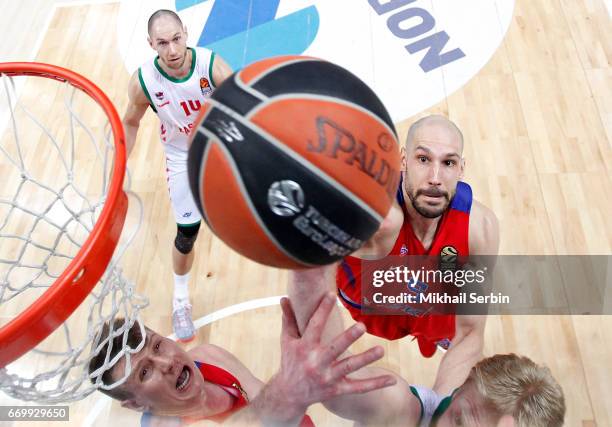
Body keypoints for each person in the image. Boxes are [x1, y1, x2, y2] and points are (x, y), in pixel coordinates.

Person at [326, 114, 499, 388]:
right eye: (423, 159)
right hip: (372, 304)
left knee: (461, 340)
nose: (435, 178)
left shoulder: (481, 228)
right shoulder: (377, 217)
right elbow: (311, 256)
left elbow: (470, 333)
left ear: (461, 169)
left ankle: (432, 336)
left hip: (428, 307)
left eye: (448, 163)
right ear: (403, 160)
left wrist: (440, 411)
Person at [278, 270, 565, 427]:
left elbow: (470, 334)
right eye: (459, 421)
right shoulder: (398, 409)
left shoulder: (472, 405)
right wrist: (314, 248)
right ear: (459, 390)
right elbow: (333, 374)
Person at [87, 296, 396, 426]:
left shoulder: (207, 358)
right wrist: (293, 386)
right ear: (136, 404)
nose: (166, 362)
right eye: (145, 371)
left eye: (158, 345)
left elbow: (279, 409)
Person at [122, 9, 234, 341]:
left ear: (185, 32)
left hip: (219, 148)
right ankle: (181, 301)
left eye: (176, 39)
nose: (171, 50)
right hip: (181, 155)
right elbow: (130, 122)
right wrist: (118, 164)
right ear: (150, 44)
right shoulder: (143, 81)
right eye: (162, 43)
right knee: (187, 234)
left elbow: (245, 105)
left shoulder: (210, 66)